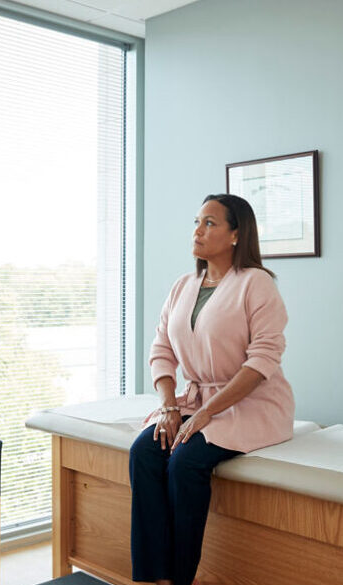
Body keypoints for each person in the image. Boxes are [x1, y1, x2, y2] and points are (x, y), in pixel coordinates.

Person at [129, 194, 296, 585]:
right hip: (195, 400)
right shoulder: (183, 285)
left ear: (236, 234)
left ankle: (181, 577)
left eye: (209, 223)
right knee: (144, 452)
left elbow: (262, 360)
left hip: (252, 404)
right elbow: (161, 350)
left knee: (185, 461)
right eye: (196, 222)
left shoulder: (257, 284)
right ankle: (155, 577)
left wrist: (206, 413)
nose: (197, 231)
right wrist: (170, 407)